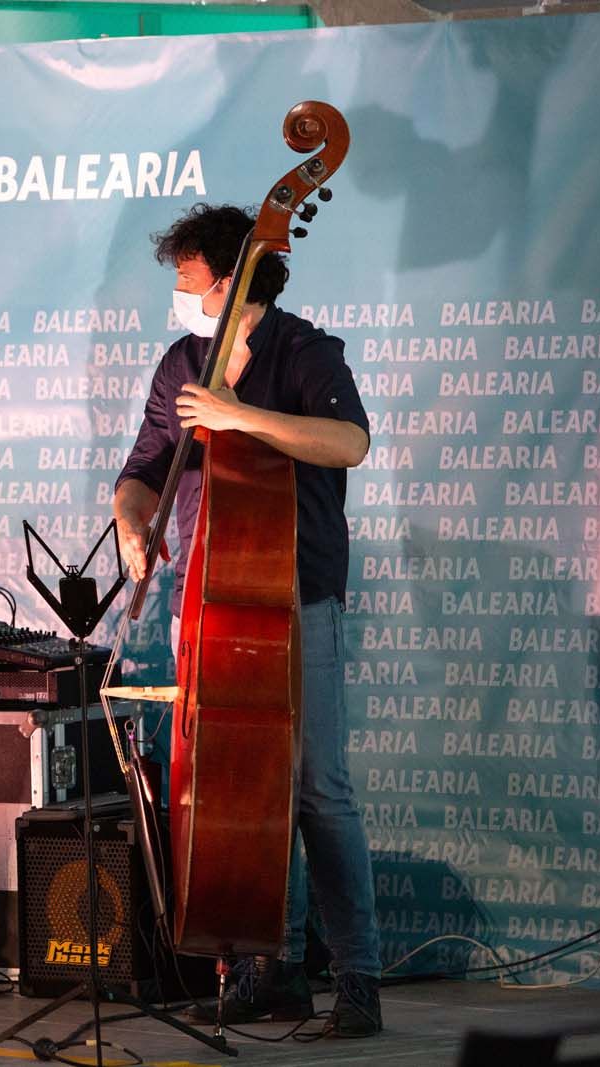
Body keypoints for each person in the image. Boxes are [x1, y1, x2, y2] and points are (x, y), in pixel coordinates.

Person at [111, 205, 382, 1038]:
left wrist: (241, 417)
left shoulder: (304, 350)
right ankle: (274, 968)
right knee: (245, 786)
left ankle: (359, 978)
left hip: (297, 595)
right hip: (209, 596)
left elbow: (348, 442)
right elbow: (142, 471)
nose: (182, 295)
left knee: (316, 790)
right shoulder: (181, 362)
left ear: (229, 282)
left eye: (189, 281)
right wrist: (130, 523)